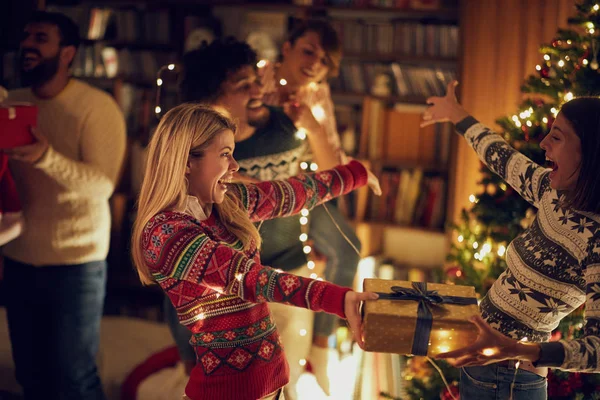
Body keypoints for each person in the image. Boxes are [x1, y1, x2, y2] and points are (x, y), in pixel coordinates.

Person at [130, 102, 379, 400]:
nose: (235, 166)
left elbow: (290, 194)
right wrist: (339, 298)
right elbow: (253, 279)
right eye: (225, 155)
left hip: (271, 387)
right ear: (186, 162)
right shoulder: (165, 233)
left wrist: (354, 173)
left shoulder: (225, 204)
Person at [422, 81, 600, 400]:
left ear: (589, 152)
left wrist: (517, 349)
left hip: (511, 378)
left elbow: (598, 350)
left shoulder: (596, 239)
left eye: (557, 137)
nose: (544, 143)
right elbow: (502, 157)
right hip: (485, 366)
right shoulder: (553, 192)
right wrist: (457, 114)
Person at [3, 11, 126, 400]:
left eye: (41, 38)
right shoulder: (11, 102)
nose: (28, 45)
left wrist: (44, 157)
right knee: (30, 375)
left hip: (77, 264)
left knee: (73, 377)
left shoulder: (97, 106)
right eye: (26, 37)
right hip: (20, 257)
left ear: (68, 52)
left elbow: (102, 186)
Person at [258, 19, 363, 393]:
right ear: (286, 47)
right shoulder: (258, 83)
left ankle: (320, 349)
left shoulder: (317, 95)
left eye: (325, 60)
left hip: (309, 190)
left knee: (348, 248)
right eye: (309, 51)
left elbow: (332, 170)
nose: (316, 64)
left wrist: (314, 128)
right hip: (264, 190)